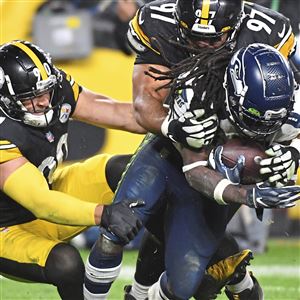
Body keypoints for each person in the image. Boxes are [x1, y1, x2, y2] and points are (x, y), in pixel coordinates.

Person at [84, 0, 300, 298]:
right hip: (177, 155)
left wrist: (292, 153)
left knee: (186, 287)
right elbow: (194, 165)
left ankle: (225, 274)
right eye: (195, 37)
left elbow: (288, 130)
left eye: (213, 38)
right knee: (116, 230)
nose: (203, 45)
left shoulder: (283, 86)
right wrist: (245, 194)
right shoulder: (198, 88)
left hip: (221, 171)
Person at [0, 40, 147, 300]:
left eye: (46, 91)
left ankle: (151, 281)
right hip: (8, 227)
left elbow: (117, 112)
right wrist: (104, 214)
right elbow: (40, 203)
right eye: (31, 97)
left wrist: (171, 121)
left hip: (49, 189)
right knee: (66, 263)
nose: (44, 101)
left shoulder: (56, 90)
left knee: (128, 170)